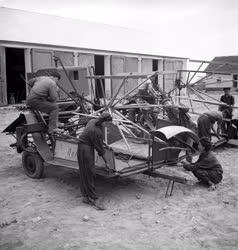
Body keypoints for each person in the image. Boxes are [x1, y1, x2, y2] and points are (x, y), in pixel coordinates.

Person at [77, 112, 112, 210]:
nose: (108, 126)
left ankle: (85, 197)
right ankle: (94, 199)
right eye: (108, 123)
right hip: (85, 149)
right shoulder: (96, 131)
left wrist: (104, 143)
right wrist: (107, 163)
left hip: (81, 147)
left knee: (84, 172)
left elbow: (96, 140)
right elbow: (100, 150)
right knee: (89, 173)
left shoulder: (93, 121)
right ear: (104, 122)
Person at [26, 69, 62, 134]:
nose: (57, 82)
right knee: (55, 108)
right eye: (57, 80)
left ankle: (55, 122)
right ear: (55, 78)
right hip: (36, 100)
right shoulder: (52, 83)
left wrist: (32, 91)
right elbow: (53, 98)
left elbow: (29, 82)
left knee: (50, 105)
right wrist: (56, 91)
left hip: (30, 99)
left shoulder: (41, 78)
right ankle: (52, 128)